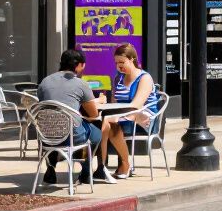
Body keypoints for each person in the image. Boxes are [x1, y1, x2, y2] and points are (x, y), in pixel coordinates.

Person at [36, 48, 103, 185]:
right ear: (79, 65)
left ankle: (51, 167)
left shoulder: (45, 82)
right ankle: (85, 171)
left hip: (46, 136)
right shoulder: (80, 83)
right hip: (72, 137)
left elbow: (44, 107)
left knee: (55, 125)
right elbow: (93, 114)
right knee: (97, 134)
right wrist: (98, 102)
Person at [96, 44, 160, 182]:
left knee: (109, 123)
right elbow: (114, 103)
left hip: (145, 118)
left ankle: (123, 165)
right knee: (100, 123)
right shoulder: (118, 78)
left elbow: (136, 105)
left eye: (122, 62)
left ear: (132, 59)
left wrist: (117, 114)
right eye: (116, 63)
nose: (119, 66)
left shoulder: (144, 78)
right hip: (126, 116)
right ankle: (102, 167)